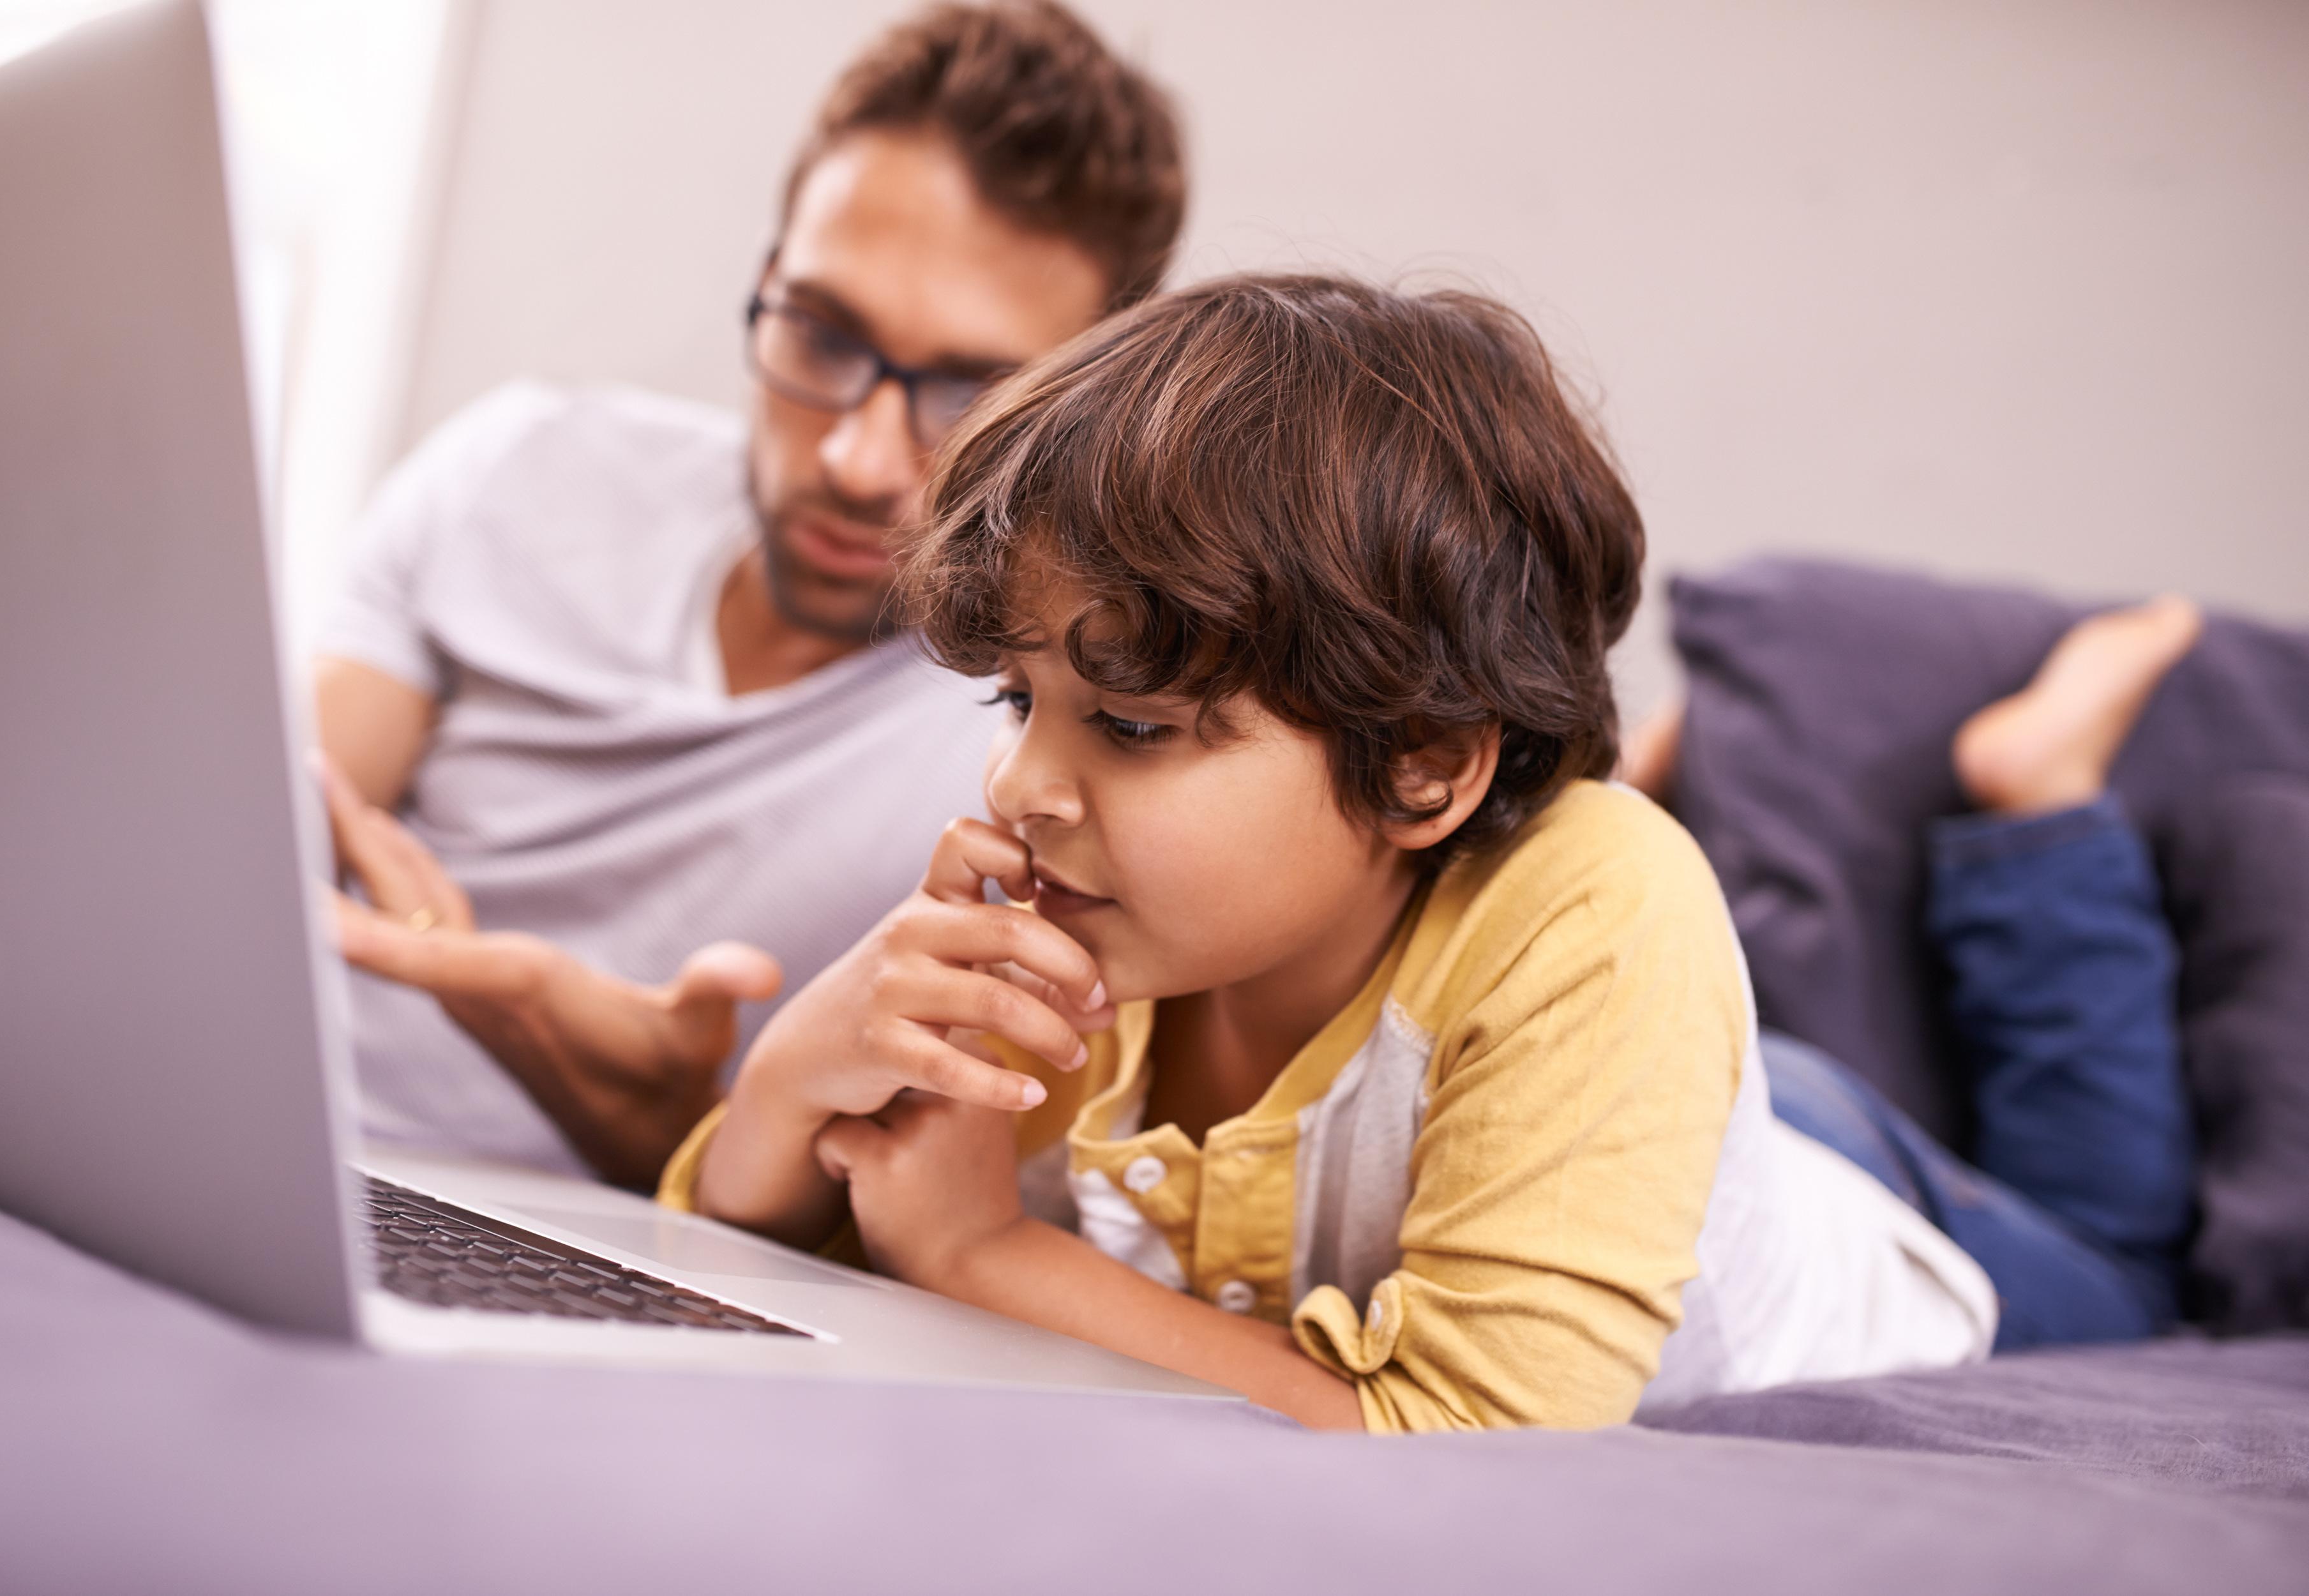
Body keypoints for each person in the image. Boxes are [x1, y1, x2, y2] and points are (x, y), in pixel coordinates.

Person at [659, 274, 2007, 1432]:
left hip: (1853, 1203)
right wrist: (786, 1084)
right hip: (1560, 1065)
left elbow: (1476, 1437)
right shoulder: (1098, 914)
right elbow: (813, 1242)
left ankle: (2038, 811)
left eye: (1132, 723)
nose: (1018, 784)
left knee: (2117, 1235)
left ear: (1420, 760)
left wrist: (986, 1252)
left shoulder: (1604, 911)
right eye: (1019, 701)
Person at [312, 1, 1187, 1189]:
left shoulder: (1050, 756)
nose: (857, 463)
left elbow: (858, 1232)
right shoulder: (518, 471)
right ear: (769, 281)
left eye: (967, 396)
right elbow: (236, 858)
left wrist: (662, 1127)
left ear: (1075, 422)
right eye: (823, 337)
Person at [1623, 598, 2202, 1348]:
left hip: (1739, 1104)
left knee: (2116, 1275)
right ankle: (2044, 815)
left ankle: (2046, 814)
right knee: (2124, 1283)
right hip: (1750, 1088)